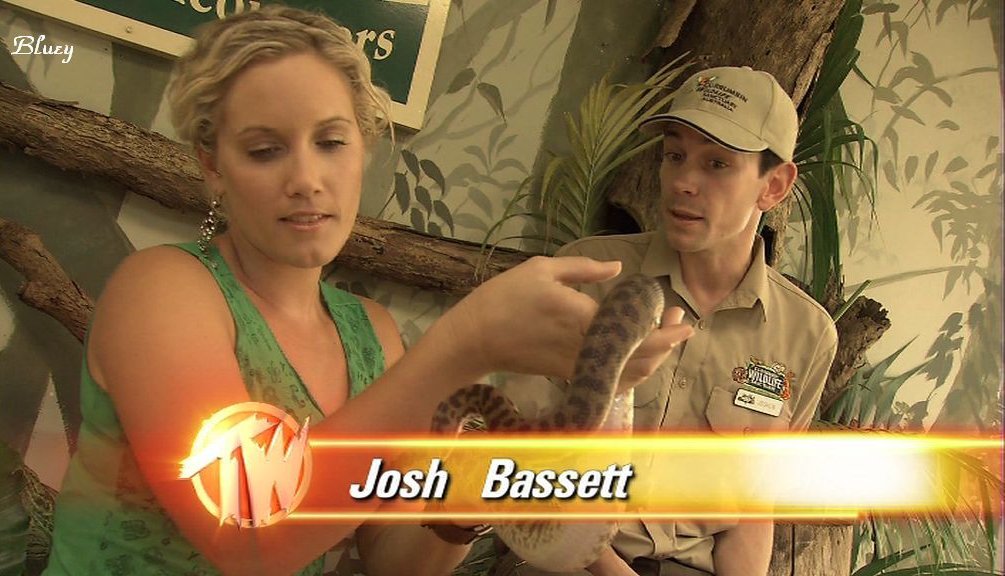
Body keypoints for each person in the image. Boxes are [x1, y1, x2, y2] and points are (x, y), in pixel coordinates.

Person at [41, 6, 694, 576]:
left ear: (364, 148)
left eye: (330, 141)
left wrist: (468, 497)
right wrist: (462, 346)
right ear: (213, 166)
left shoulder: (372, 337)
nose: (306, 178)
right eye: (265, 150)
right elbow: (248, 537)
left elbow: (391, 559)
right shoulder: (162, 292)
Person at [496, 66, 839, 576]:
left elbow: (752, 509)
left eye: (716, 164)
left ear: (773, 186)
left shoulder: (806, 335)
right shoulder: (590, 275)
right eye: (674, 156)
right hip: (567, 561)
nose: (683, 183)